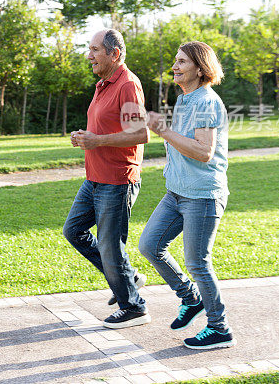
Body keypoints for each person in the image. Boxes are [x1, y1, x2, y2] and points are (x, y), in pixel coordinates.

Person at [139, 41, 236, 350]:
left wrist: (164, 131)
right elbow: (181, 145)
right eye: (175, 60)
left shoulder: (207, 101)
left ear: (199, 67)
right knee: (150, 245)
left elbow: (204, 152)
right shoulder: (184, 99)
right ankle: (190, 297)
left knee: (198, 263)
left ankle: (219, 329)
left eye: (182, 61)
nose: (175, 66)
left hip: (203, 196)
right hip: (177, 193)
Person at [64, 29, 150, 329]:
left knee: (110, 245)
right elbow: (103, 127)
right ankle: (130, 278)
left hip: (117, 179)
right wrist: (85, 138)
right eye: (90, 49)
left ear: (115, 53)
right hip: (95, 178)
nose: (90, 55)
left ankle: (134, 307)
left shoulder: (127, 84)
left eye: (95, 50)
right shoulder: (103, 84)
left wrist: (97, 141)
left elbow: (141, 133)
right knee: (74, 230)